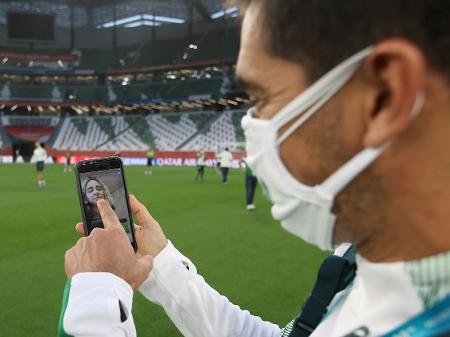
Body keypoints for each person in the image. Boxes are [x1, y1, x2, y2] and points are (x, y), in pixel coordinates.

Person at [60, 1, 450, 337]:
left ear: (385, 95)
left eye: (262, 97)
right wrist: (161, 267)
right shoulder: (364, 259)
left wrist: (98, 302)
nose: (252, 125)